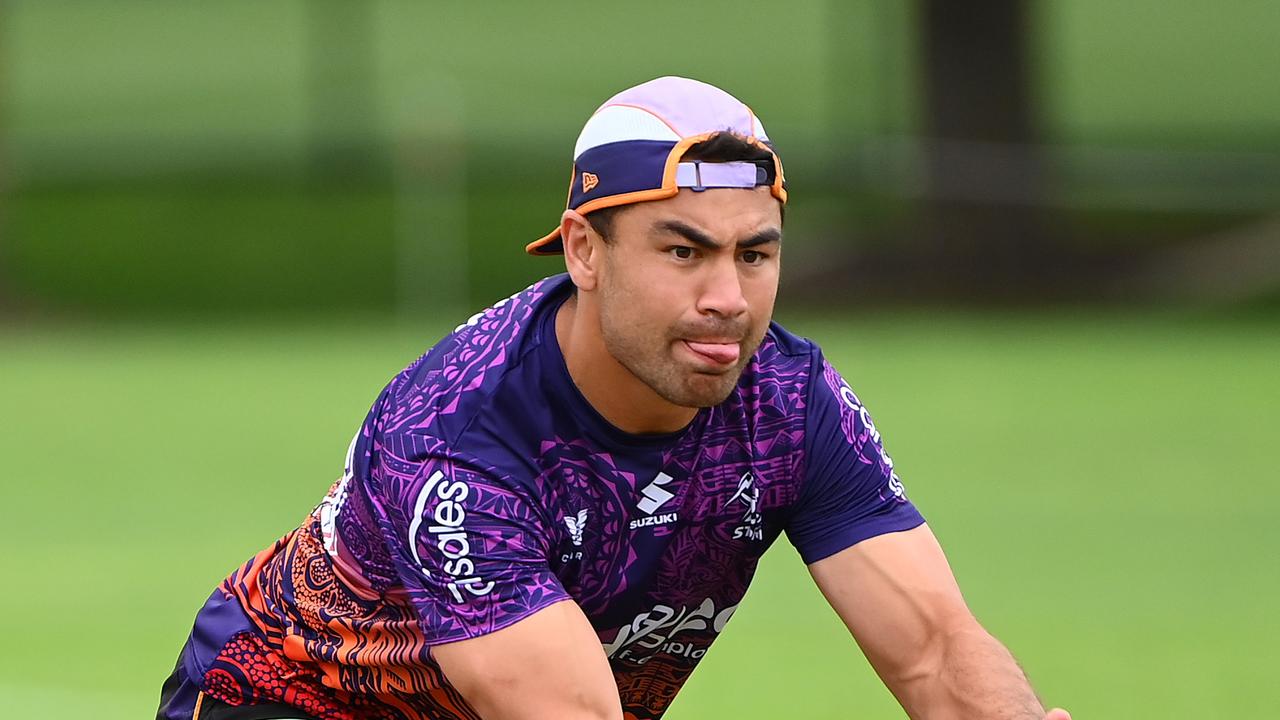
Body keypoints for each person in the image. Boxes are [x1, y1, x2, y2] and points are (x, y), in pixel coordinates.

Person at [157, 76, 1069, 720]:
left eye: (755, 253)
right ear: (584, 252)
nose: (730, 297)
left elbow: (938, 651)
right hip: (284, 706)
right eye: (684, 252)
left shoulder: (788, 401)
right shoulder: (459, 438)